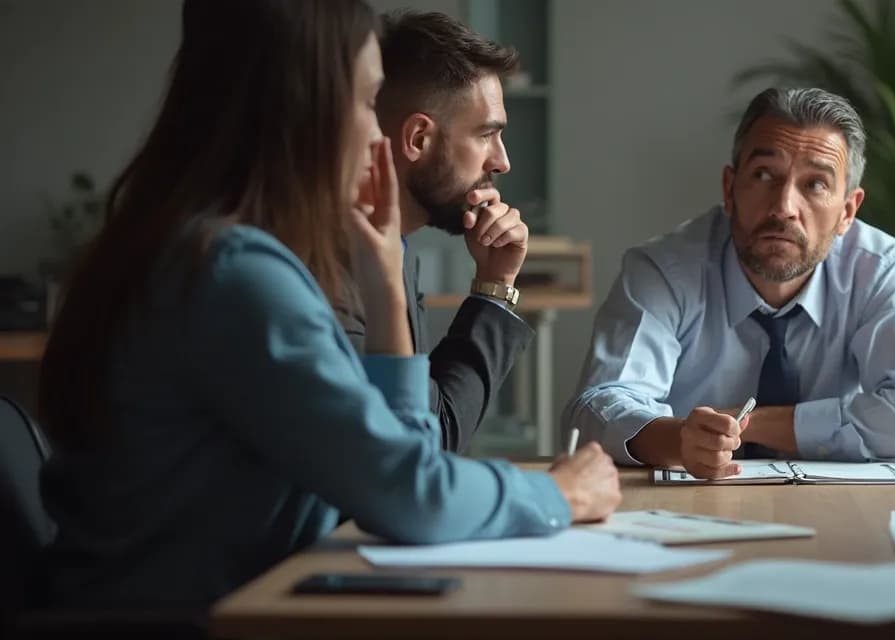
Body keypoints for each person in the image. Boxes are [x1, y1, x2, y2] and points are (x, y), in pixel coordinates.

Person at [35, 0, 619, 617]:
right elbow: (412, 492)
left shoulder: (201, 246)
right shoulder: (236, 276)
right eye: (369, 103)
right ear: (302, 112)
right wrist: (558, 492)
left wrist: (388, 286)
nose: (381, 135)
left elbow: (407, 466)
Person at [563, 88, 895, 479]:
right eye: (764, 174)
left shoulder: (877, 269)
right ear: (730, 190)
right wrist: (679, 440)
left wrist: (753, 423)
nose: (784, 207)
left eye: (815, 184)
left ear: (847, 212)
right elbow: (595, 410)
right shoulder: (666, 270)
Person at [336, 10, 532, 453]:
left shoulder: (395, 251)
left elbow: (432, 428)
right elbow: (416, 457)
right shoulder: (336, 268)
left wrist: (495, 286)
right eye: (486, 134)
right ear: (418, 139)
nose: (502, 162)